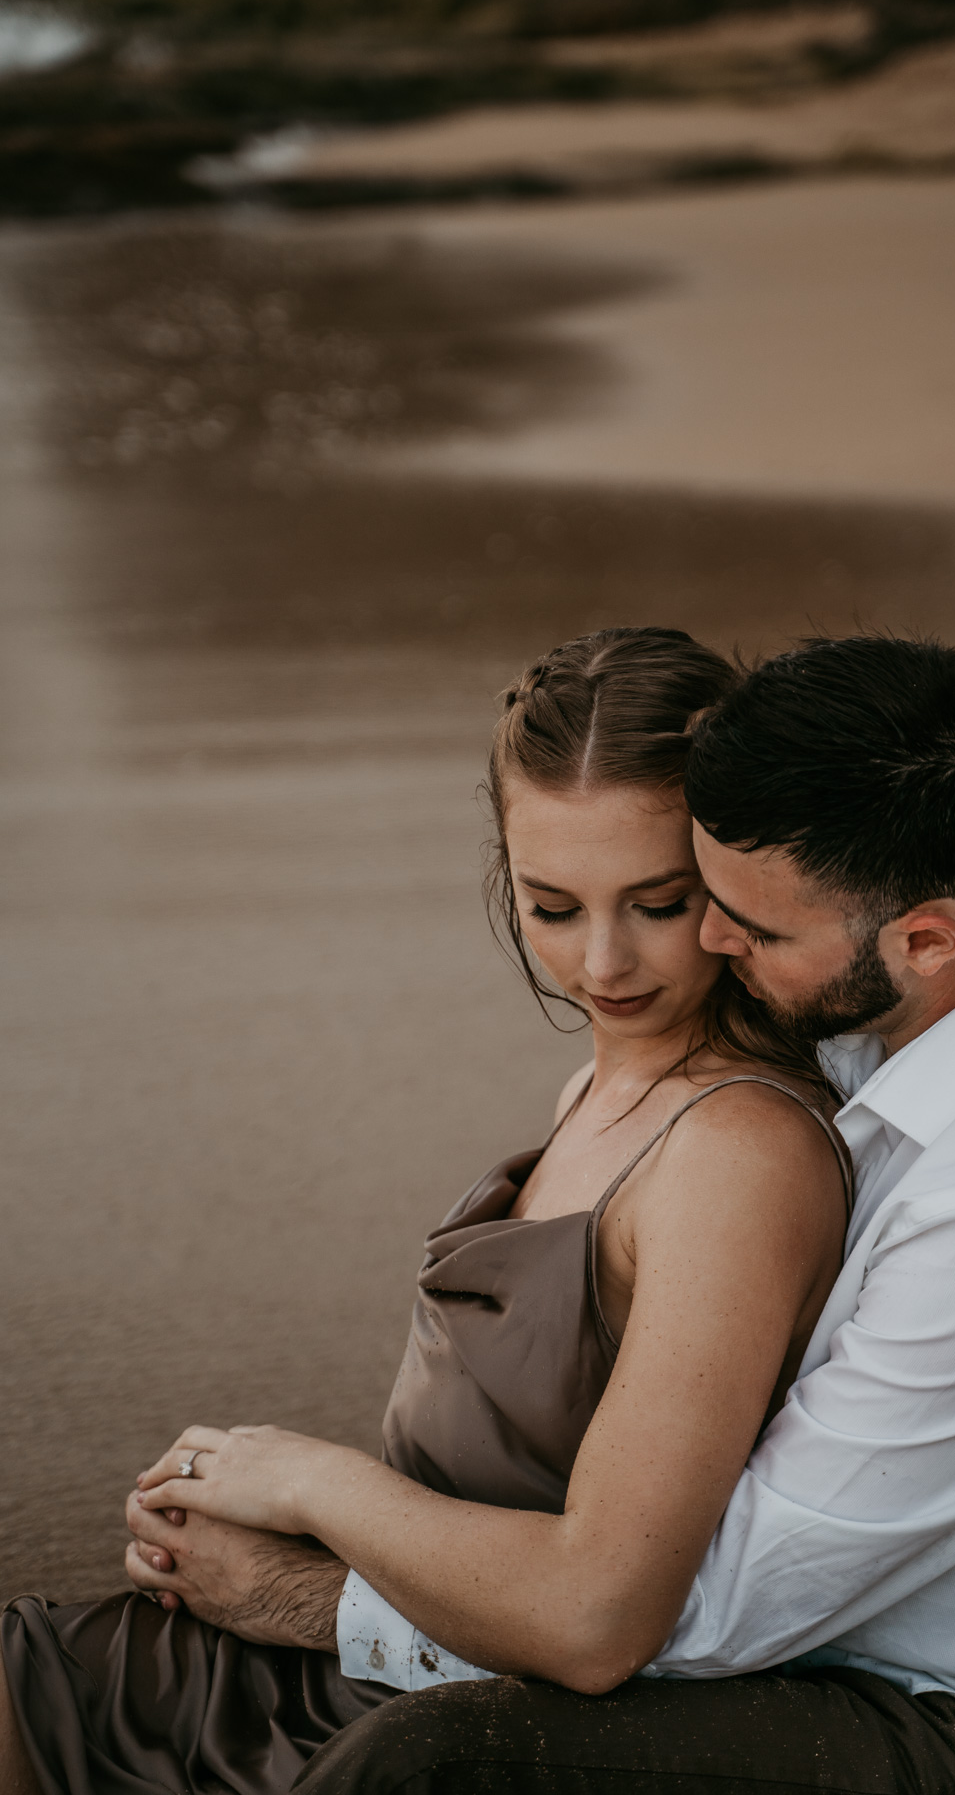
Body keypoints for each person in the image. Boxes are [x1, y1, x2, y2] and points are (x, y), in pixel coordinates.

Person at [0, 628, 855, 1794]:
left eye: (658, 901)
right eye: (552, 906)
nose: (604, 963)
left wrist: (313, 1485)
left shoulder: (737, 1153)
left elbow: (598, 1617)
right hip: (373, 1637)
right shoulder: (610, 1084)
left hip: (424, 1712)